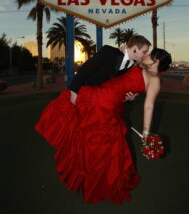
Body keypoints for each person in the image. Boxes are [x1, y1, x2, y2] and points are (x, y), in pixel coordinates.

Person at [34, 48, 171, 204]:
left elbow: (149, 106)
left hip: (107, 103)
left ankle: (97, 181)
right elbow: (127, 80)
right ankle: (98, 180)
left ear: (157, 61)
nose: (145, 55)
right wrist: (132, 95)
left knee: (98, 141)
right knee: (100, 141)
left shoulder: (156, 80)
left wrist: (146, 132)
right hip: (102, 97)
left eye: (149, 54)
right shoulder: (140, 67)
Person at [69, 35, 151, 104]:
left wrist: (131, 98)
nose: (146, 55)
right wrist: (74, 91)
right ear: (135, 49)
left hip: (103, 105)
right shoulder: (108, 51)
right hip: (84, 96)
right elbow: (85, 69)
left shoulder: (131, 66)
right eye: (144, 52)